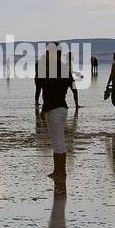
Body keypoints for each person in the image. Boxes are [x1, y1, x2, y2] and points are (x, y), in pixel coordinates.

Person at [38, 45, 79, 189]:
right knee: (60, 141)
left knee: (57, 142)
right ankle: (61, 172)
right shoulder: (65, 70)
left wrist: (43, 110)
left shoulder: (50, 71)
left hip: (53, 109)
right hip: (63, 107)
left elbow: (47, 92)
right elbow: (72, 87)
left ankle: (59, 172)